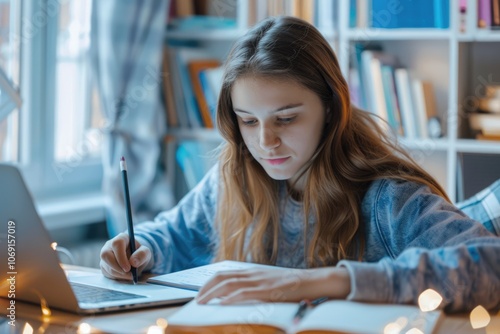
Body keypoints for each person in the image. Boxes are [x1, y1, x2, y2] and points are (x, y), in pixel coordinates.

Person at [100, 16, 500, 313]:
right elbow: (175, 234)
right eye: (248, 120)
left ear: (329, 106)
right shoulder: (235, 176)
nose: (264, 141)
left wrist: (332, 280)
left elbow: (492, 265)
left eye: (286, 118)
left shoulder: (386, 198)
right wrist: (140, 247)